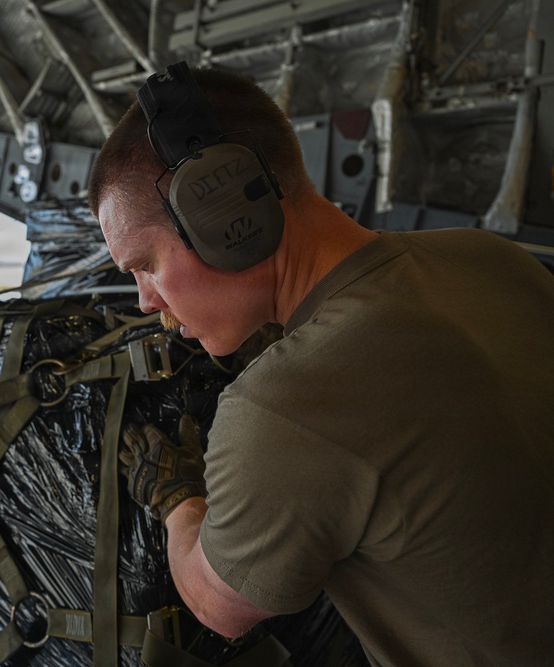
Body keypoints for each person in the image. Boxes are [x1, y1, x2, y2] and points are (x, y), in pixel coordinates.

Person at [89, 62, 554, 666]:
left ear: (225, 215)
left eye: (144, 264)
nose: (147, 302)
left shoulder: (281, 406)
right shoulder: (494, 259)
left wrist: (176, 496)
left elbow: (217, 603)